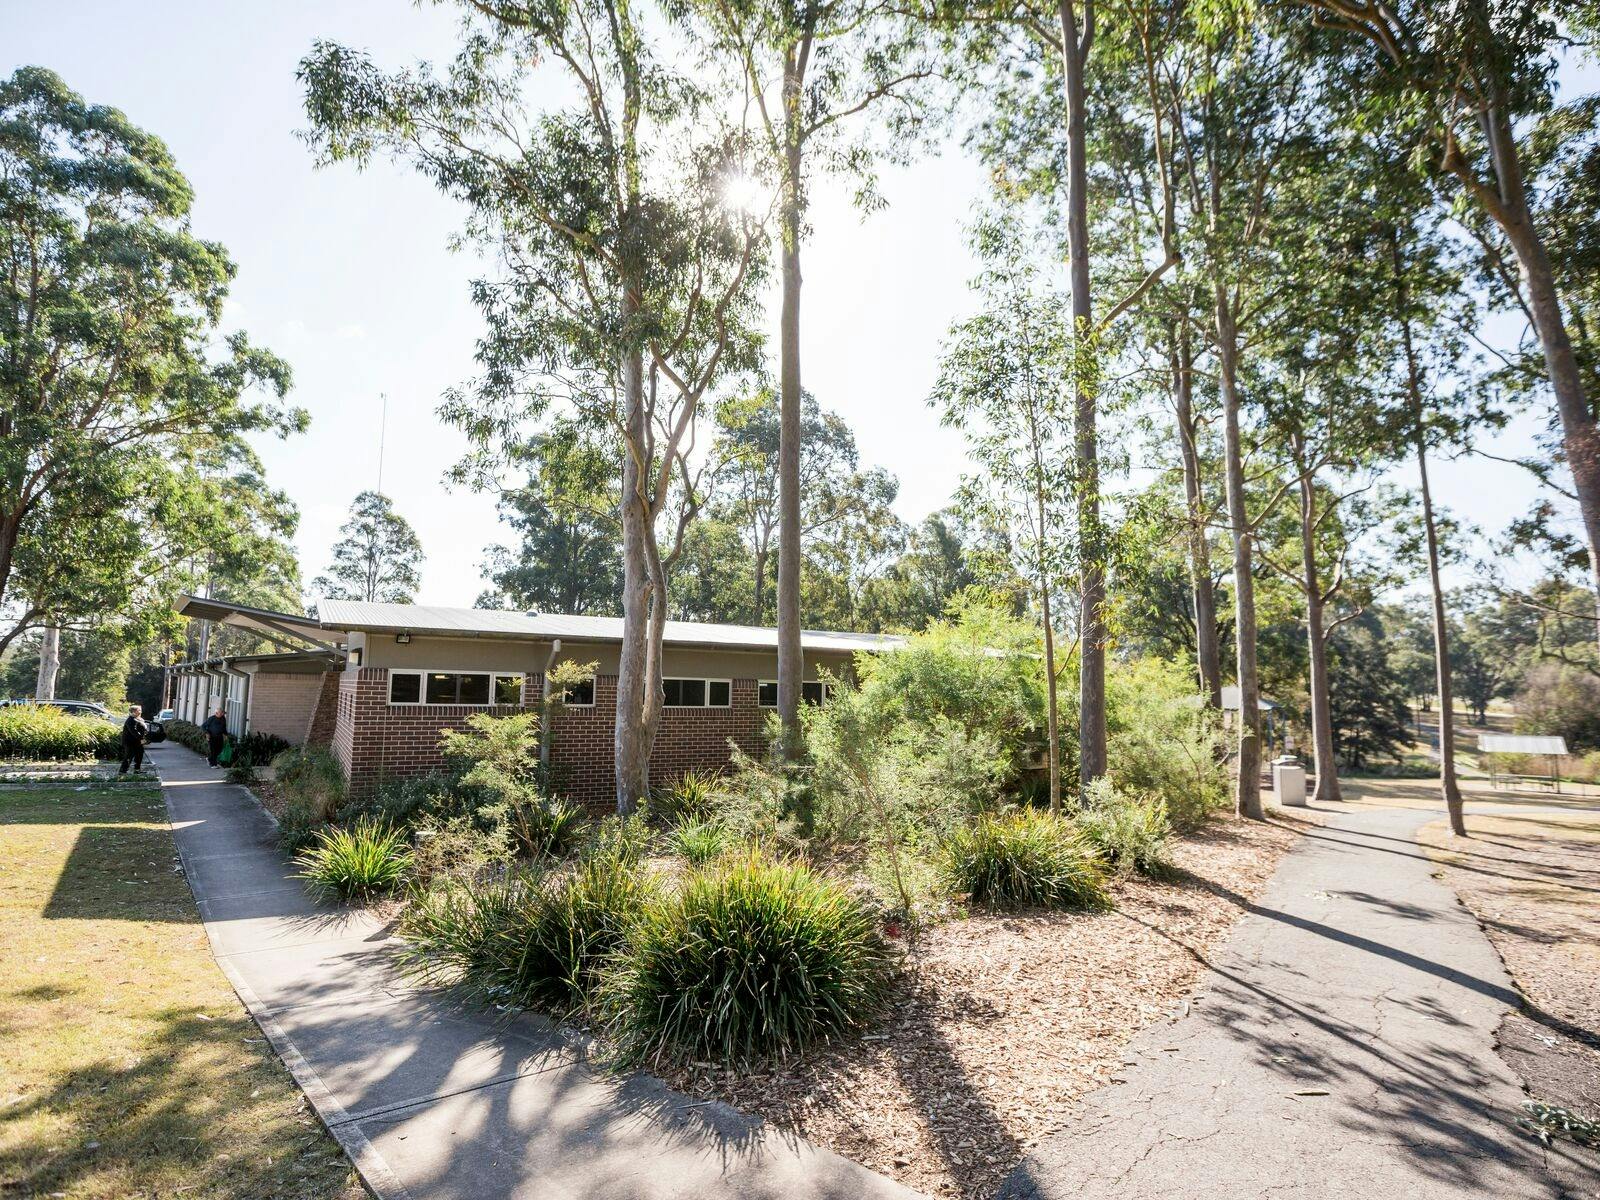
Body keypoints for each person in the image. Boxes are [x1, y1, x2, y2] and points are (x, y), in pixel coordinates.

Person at [119, 705, 148, 775]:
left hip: (137, 741)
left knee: (139, 755)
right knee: (129, 756)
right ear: (134, 711)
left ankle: (137, 770)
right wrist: (141, 739)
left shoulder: (139, 719)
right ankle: (122, 771)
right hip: (130, 742)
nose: (140, 712)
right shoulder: (130, 720)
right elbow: (134, 731)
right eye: (139, 710)